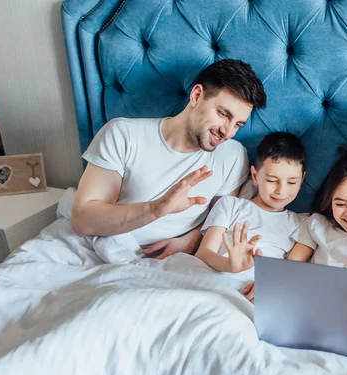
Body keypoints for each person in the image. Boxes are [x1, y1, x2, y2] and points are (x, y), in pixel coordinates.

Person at [70, 59, 266, 259]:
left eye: (238, 124)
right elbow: (82, 220)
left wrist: (190, 242)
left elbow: (220, 219)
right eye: (223, 114)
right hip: (106, 247)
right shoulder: (123, 135)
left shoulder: (232, 155)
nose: (228, 132)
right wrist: (157, 209)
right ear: (197, 95)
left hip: (175, 259)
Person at [243, 150, 347, 302]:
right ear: (330, 202)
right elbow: (290, 266)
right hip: (310, 303)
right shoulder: (317, 225)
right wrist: (269, 283)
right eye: (340, 204)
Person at [195, 132, 306, 283]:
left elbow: (292, 273)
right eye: (272, 180)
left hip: (258, 288)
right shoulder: (230, 205)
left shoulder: (301, 224)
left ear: (302, 180)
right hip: (217, 275)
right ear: (255, 176)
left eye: (292, 182)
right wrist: (230, 265)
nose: (281, 190)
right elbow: (203, 253)